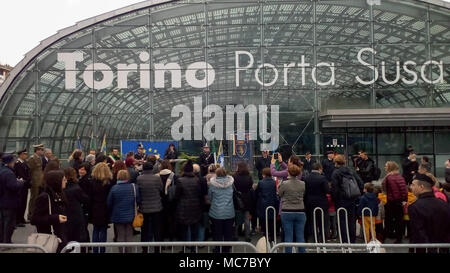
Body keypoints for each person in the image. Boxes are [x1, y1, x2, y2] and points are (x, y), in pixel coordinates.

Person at [409, 174, 450, 252]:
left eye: (413, 185)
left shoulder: (415, 207)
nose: (411, 187)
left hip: (424, 249)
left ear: (421, 187)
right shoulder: (444, 204)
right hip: (443, 249)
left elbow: (418, 233)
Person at [30, 170, 68, 252]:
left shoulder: (59, 194)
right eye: (64, 180)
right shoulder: (44, 197)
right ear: (57, 181)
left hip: (59, 236)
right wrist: (55, 218)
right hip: (48, 238)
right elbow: (34, 219)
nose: (66, 181)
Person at [330, 154, 364, 244]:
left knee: (342, 221)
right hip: (352, 200)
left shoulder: (336, 173)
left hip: (341, 201)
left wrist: (336, 199)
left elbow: (335, 189)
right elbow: (360, 183)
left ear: (336, 163)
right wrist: (356, 196)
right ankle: (352, 240)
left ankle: (344, 241)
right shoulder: (351, 171)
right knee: (351, 220)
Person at [107, 170, 140, 253]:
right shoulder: (133, 187)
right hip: (131, 215)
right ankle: (129, 251)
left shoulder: (114, 188)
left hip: (118, 215)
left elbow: (109, 202)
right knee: (129, 235)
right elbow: (138, 200)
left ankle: (121, 251)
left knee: (120, 235)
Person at [278, 164, 306, 253]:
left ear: (288, 173)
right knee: (300, 236)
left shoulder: (285, 183)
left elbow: (280, 194)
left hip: (287, 211)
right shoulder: (302, 184)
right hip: (300, 211)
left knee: (288, 236)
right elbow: (303, 194)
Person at [137, 162, 163, 253]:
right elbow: (161, 188)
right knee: (157, 229)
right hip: (157, 207)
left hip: (144, 208)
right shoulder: (157, 178)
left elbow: (138, 192)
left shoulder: (139, 178)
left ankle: (144, 248)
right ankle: (157, 249)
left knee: (144, 229)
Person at [175, 160, 202, 245]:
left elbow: (177, 196)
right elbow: (199, 193)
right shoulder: (197, 180)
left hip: (183, 208)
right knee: (194, 229)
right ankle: (193, 248)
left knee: (184, 230)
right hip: (195, 207)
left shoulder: (180, 180)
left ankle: (184, 247)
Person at [208, 167, 235, 253]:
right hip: (229, 211)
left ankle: (217, 249)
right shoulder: (231, 183)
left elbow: (210, 197)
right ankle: (227, 249)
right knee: (228, 232)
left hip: (216, 212)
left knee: (217, 232)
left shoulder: (212, 184)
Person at [382, 161, 408, 243]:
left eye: (386, 166)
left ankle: (385, 237)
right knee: (399, 220)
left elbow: (389, 189)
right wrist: (404, 200)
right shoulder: (400, 176)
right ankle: (398, 237)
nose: (385, 167)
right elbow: (404, 189)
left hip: (392, 201)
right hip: (399, 201)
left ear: (390, 167)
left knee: (388, 220)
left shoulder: (390, 178)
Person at [0, 154, 24, 243]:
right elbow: (13, 186)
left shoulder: (2, 170)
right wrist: (20, 182)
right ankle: (6, 242)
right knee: (9, 224)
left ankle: (2, 240)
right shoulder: (9, 173)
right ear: (9, 162)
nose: (14, 163)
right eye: (13, 161)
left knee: (2, 223)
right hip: (9, 202)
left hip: (2, 201)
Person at [90, 162, 113, 253]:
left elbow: (90, 196)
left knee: (95, 229)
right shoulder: (109, 183)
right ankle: (102, 250)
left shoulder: (92, 182)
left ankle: (95, 250)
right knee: (103, 230)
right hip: (105, 208)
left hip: (95, 207)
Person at [304, 163, 329, 242]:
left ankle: (314, 238)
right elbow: (327, 190)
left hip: (309, 202)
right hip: (322, 203)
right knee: (322, 222)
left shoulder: (306, 178)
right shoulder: (322, 178)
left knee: (312, 222)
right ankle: (323, 239)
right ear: (320, 168)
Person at [63, 167, 89, 243]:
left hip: (66, 213)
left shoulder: (63, 188)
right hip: (76, 214)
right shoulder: (75, 187)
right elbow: (85, 199)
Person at [255, 168, 279, 243]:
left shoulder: (261, 182)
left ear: (264, 174)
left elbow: (257, 192)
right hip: (272, 203)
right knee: (271, 220)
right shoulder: (273, 182)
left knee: (263, 220)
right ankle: (272, 236)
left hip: (263, 203)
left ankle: (265, 235)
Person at [233, 162, 253, 242]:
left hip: (238, 198)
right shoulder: (249, 177)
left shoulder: (234, 177)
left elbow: (233, 187)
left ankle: (235, 235)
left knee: (237, 218)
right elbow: (250, 186)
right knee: (246, 219)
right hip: (247, 198)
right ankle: (247, 235)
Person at [159, 160, 178, 241]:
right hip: (171, 200)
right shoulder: (174, 175)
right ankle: (171, 238)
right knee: (171, 219)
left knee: (162, 220)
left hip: (161, 200)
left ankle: (162, 238)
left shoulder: (158, 176)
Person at [27, 144, 45, 221]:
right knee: (33, 198)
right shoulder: (32, 158)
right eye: (41, 150)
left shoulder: (39, 158)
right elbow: (30, 171)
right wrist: (31, 181)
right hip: (34, 181)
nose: (42, 151)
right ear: (37, 150)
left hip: (39, 181)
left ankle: (36, 214)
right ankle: (31, 214)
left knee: (38, 198)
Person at [14, 149, 31, 227]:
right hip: (21, 186)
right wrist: (27, 181)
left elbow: (28, 173)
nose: (26, 155)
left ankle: (22, 218)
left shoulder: (24, 163)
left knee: (24, 203)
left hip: (25, 185)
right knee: (20, 203)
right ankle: (18, 220)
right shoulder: (17, 164)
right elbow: (21, 175)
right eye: (24, 154)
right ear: (20, 155)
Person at [193, 163, 209, 242]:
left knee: (191, 224)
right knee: (201, 224)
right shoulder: (203, 180)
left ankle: (190, 243)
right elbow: (205, 193)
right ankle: (201, 241)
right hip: (201, 205)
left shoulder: (185, 179)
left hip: (191, 205)